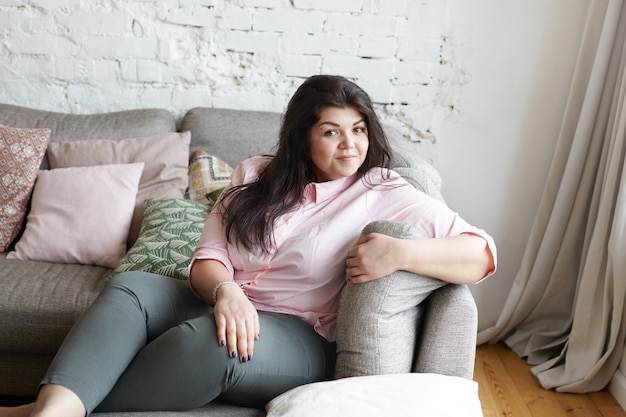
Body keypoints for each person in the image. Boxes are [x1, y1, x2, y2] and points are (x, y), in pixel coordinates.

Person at [0, 75, 496, 417]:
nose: (351, 145)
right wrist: (227, 293)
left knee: (217, 345)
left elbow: (482, 253)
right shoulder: (255, 174)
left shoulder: (385, 190)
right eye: (332, 131)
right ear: (302, 138)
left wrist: (401, 253)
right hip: (226, 300)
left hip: (303, 337)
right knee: (131, 287)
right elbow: (209, 259)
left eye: (359, 130)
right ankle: (56, 411)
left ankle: (49, 408)